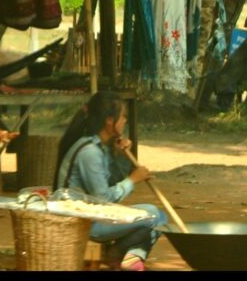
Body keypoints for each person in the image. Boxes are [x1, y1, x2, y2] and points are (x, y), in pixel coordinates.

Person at [56, 92, 167, 270]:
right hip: (82, 223)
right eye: (122, 117)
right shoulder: (89, 151)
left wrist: (120, 154)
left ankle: (132, 258)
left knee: (159, 216)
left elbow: (113, 180)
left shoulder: (102, 147)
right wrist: (132, 180)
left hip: (95, 216)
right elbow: (104, 199)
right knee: (154, 215)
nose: (124, 121)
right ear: (109, 120)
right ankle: (116, 255)